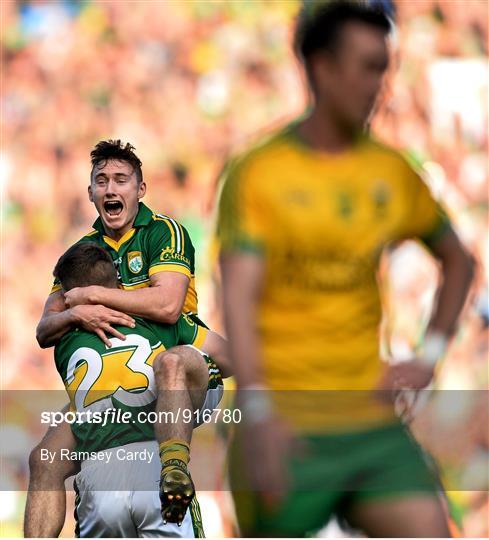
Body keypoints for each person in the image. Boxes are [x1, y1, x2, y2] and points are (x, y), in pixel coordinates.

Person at [217, 2, 474, 537]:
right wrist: (259, 417)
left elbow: (459, 260)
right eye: (365, 67)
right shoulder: (259, 173)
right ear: (321, 68)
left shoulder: (389, 171)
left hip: (371, 423)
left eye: (384, 67)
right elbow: (236, 300)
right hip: (287, 428)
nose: (377, 85)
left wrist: (427, 357)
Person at [25, 140, 229, 536]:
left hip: (176, 363)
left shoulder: (163, 230)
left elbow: (169, 306)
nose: (110, 189)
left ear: (140, 189)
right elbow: (44, 329)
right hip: (118, 378)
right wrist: (75, 312)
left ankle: (173, 470)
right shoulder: (81, 253)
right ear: (90, 193)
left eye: (121, 179)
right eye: (101, 181)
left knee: (170, 365)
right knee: (45, 459)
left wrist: (92, 296)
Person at [51, 242, 227, 537]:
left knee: (44, 458)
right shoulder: (159, 320)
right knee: (175, 365)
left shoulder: (64, 342)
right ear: (118, 282)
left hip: (98, 478)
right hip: (154, 461)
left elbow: (43, 330)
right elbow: (229, 358)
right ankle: (175, 463)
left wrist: (70, 313)